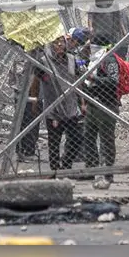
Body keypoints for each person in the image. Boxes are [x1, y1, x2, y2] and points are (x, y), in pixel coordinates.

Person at [32, 34, 84, 172]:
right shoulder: (44, 62)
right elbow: (36, 81)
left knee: (77, 139)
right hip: (53, 108)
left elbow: (78, 83)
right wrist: (35, 99)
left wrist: (82, 102)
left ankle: (66, 163)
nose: (60, 45)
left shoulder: (72, 60)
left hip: (71, 107)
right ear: (50, 45)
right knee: (54, 142)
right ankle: (55, 170)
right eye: (56, 42)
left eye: (62, 42)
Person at [83, 45, 120, 188]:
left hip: (107, 104)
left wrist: (94, 78)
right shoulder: (92, 59)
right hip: (92, 104)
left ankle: (108, 172)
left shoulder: (108, 59)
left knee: (106, 140)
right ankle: (91, 169)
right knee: (88, 137)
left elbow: (113, 80)